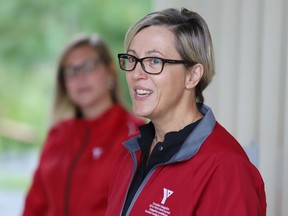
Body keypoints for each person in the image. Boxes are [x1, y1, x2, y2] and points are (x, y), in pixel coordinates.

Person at [105, 8, 267, 216]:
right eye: (132, 59)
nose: (136, 74)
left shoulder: (227, 169)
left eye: (154, 61)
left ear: (192, 75)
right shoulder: (130, 153)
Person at [22, 33, 144, 216]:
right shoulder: (58, 134)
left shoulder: (136, 134)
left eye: (88, 66)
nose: (79, 77)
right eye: (71, 71)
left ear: (110, 72)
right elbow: (34, 204)